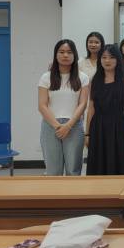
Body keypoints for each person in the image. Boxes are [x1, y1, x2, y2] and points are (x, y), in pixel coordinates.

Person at [38, 40, 89, 176]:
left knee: (73, 170)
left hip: (74, 125)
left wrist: (68, 125)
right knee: (53, 171)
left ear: (75, 55)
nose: (65, 55)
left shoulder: (82, 77)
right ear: (56, 55)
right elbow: (42, 106)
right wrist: (58, 126)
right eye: (61, 52)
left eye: (69, 52)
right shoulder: (46, 77)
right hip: (50, 126)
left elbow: (83, 104)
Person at [85, 44, 124, 175]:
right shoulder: (93, 80)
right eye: (104, 57)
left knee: (118, 160)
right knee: (98, 162)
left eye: (112, 57)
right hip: (98, 126)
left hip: (118, 125)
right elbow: (91, 108)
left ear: (118, 59)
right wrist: (87, 134)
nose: (107, 61)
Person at [77, 32, 104, 129]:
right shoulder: (81, 61)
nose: (93, 45)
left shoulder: (105, 62)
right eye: (90, 42)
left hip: (103, 104)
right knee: (86, 132)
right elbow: (76, 85)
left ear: (101, 44)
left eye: (96, 42)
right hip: (85, 103)